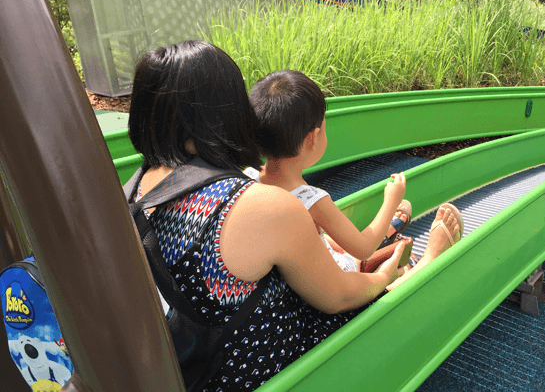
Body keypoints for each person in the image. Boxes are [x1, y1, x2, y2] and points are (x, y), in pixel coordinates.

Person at [127, 40, 462, 391]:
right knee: (373, 287)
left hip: (176, 368)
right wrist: (382, 279)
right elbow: (338, 299)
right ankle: (423, 267)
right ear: (227, 113)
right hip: (249, 368)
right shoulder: (259, 204)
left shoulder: (131, 190)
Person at [246, 70, 425, 273]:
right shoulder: (311, 200)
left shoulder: (247, 178)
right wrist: (391, 200)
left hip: (289, 270)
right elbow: (363, 248)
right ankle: (407, 260)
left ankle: (391, 230)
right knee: (361, 258)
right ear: (312, 138)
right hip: (336, 274)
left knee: (328, 237)